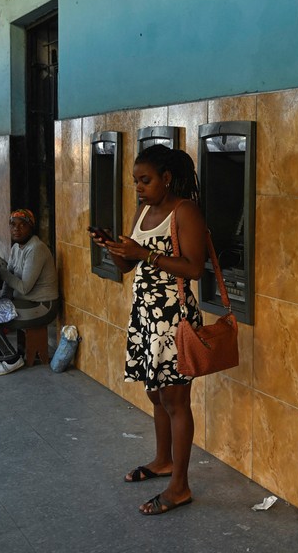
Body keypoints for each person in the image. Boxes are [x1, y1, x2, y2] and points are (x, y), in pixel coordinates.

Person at [91, 144, 206, 516]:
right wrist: (114, 248)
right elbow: (128, 267)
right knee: (156, 396)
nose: (139, 188)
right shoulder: (142, 211)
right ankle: (162, 461)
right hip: (145, 317)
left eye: (146, 180)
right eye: (135, 181)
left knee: (176, 402)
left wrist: (147, 255)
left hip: (174, 320)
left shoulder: (184, 211)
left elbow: (194, 269)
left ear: (166, 179)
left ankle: (180, 487)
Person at [0, 208, 60, 377]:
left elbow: (24, 287)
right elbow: (9, 279)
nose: (16, 229)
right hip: (26, 303)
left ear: (31, 227)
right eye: (13, 225)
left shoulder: (36, 249)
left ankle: (12, 359)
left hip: (43, 307)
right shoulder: (16, 248)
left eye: (22, 225)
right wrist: (3, 300)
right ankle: (5, 353)